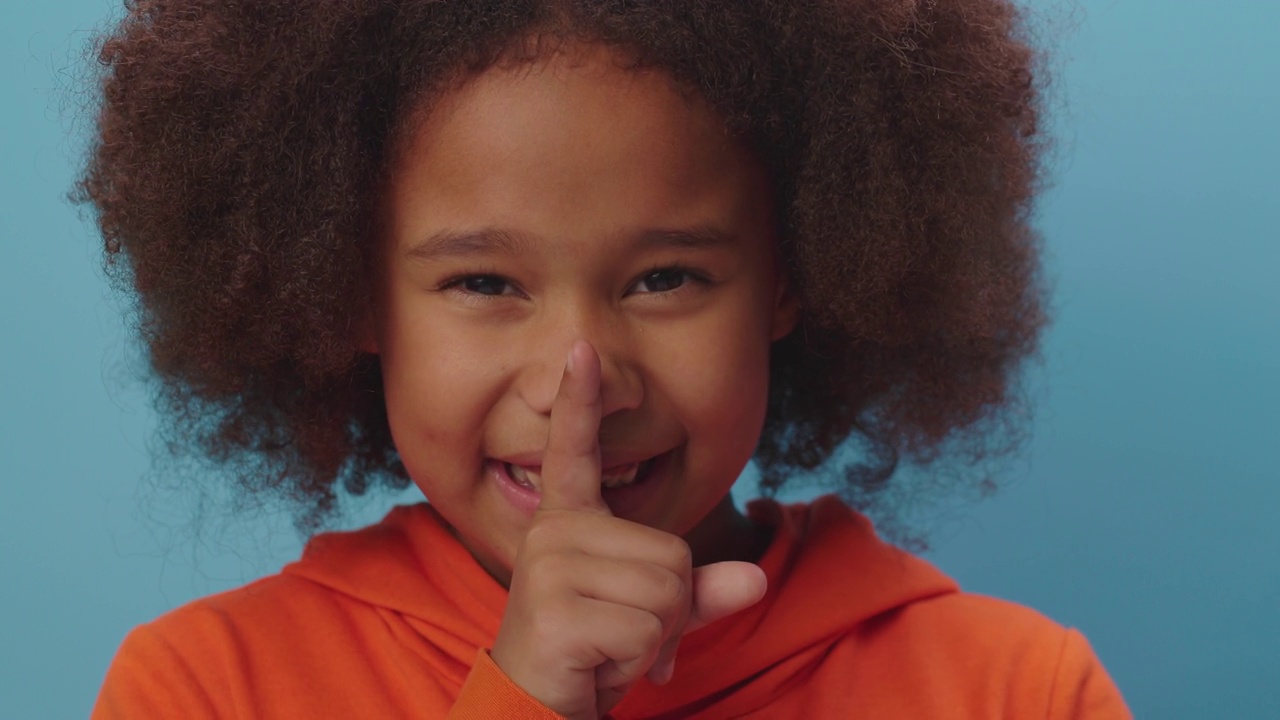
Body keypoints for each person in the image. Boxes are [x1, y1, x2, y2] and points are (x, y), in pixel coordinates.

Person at [81, 1, 1130, 717]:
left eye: (664, 278)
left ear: (794, 276)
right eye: (484, 284)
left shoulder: (1011, 690)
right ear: (347, 297)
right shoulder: (209, 688)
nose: (577, 380)